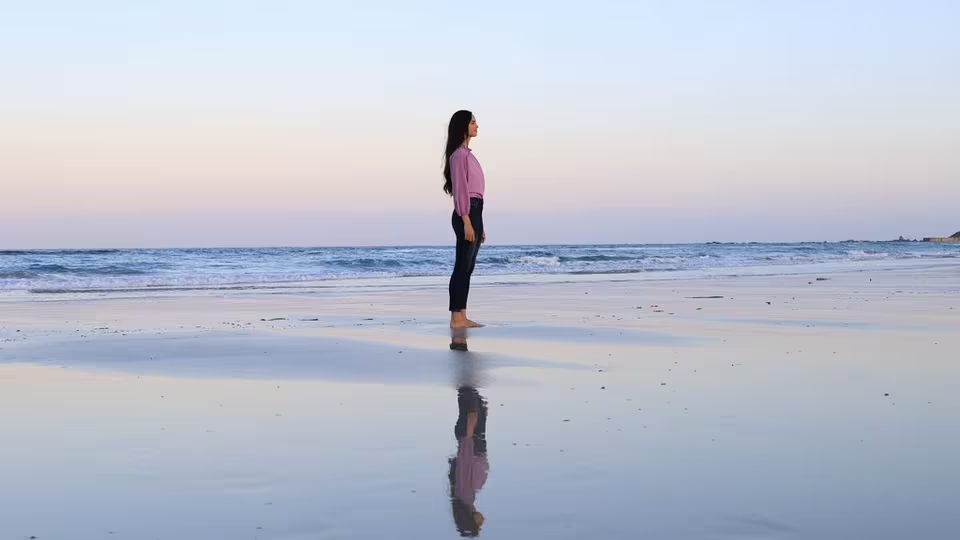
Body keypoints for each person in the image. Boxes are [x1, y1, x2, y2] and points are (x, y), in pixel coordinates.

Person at [443, 110, 486, 329]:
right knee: (461, 266)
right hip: (466, 213)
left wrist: (480, 223)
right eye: (473, 122)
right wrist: (467, 220)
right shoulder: (459, 155)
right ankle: (455, 319)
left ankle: (462, 315)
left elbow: (476, 193)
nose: (477, 125)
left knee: (468, 268)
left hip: (475, 212)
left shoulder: (469, 155)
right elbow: (461, 190)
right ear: (463, 126)